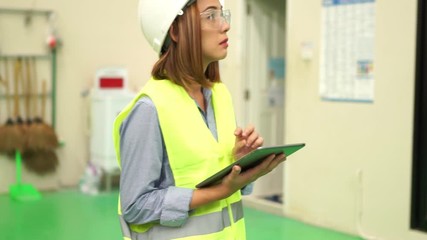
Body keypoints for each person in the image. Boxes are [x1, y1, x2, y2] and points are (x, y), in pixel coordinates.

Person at [113, 0, 286, 239]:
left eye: (222, 15)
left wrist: (240, 162)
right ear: (175, 30)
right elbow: (135, 205)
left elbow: (214, 174)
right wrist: (220, 191)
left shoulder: (219, 95)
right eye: (210, 16)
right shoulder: (148, 109)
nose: (225, 26)